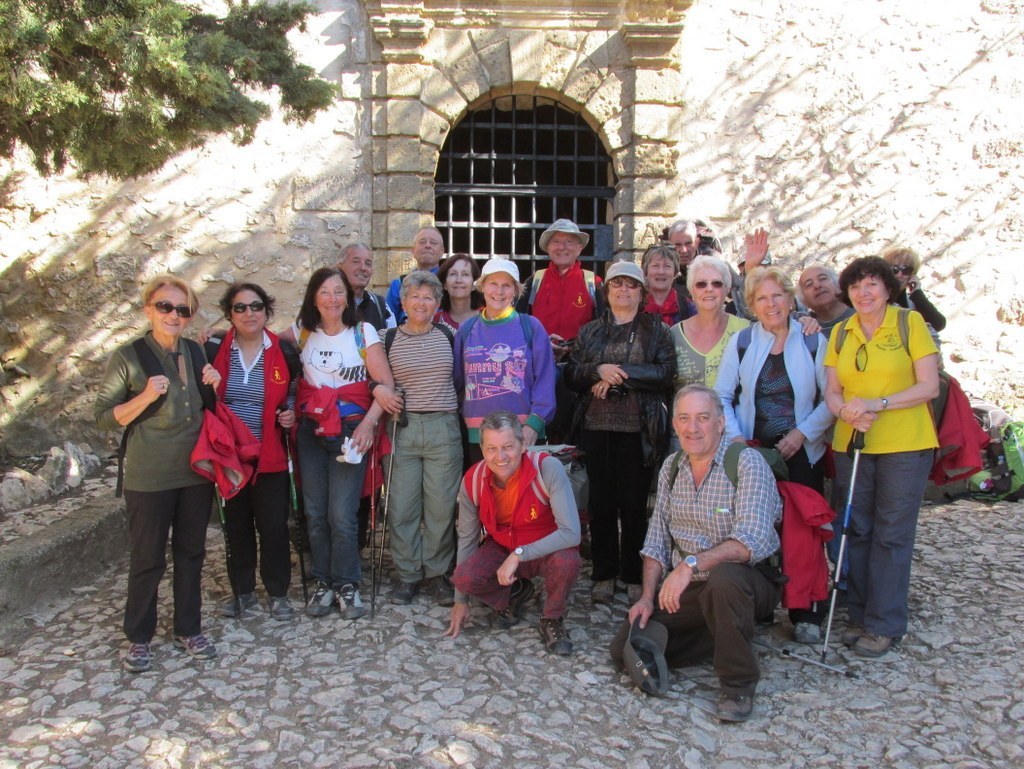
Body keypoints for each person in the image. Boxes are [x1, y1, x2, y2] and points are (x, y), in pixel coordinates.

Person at [609, 385, 782, 722]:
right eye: (685, 419)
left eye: (703, 418)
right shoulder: (672, 467)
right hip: (689, 588)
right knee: (624, 650)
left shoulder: (747, 463)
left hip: (748, 579)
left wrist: (690, 564)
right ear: (674, 424)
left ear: (720, 423)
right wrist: (646, 597)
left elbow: (752, 541)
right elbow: (657, 539)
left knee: (724, 581)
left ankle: (738, 684)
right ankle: (725, 633)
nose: (693, 428)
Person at [95, 274, 222, 673]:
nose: (173, 315)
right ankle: (138, 636)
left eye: (182, 309)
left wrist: (214, 387)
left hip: (194, 471)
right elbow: (103, 418)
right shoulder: (129, 357)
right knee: (148, 557)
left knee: (191, 552)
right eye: (165, 307)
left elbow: (206, 409)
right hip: (149, 475)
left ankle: (188, 627)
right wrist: (147, 395)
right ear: (148, 309)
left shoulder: (195, 353)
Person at [824, 256, 939, 657]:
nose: (864, 292)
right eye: (856, 286)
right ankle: (860, 615)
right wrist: (845, 411)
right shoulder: (842, 332)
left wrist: (879, 402)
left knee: (891, 534)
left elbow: (929, 387)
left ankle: (885, 622)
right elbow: (832, 391)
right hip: (853, 442)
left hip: (905, 445)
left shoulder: (909, 325)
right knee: (858, 530)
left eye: (872, 284)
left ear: (888, 288)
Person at [714, 266, 834, 644]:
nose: (771, 304)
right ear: (751, 305)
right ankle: (762, 605)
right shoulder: (744, 341)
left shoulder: (813, 341)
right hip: (755, 451)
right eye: (762, 298)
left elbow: (832, 399)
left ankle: (804, 611)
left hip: (802, 451)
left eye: (777, 296)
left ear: (790, 298)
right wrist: (735, 439)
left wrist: (802, 434)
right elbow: (722, 395)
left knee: (803, 532)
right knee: (756, 527)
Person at [286, 267, 395, 620]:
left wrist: (368, 425)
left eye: (338, 292)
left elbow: (385, 385)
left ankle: (347, 584)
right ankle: (324, 582)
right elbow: (257, 336)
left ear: (347, 296)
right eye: (324, 292)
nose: (332, 299)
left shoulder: (363, 333)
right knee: (315, 514)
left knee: (342, 515)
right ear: (313, 297)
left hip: (351, 430)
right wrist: (215, 334)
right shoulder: (303, 331)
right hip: (312, 431)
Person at [564, 260, 675, 605]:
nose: (623, 290)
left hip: (639, 429)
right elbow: (571, 374)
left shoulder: (657, 330)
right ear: (606, 290)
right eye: (617, 284)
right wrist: (597, 370)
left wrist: (617, 374)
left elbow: (664, 373)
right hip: (596, 427)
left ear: (641, 292)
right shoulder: (589, 331)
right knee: (601, 503)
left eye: (631, 285)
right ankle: (603, 572)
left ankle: (632, 573)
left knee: (633, 504)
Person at [445, 411, 582, 655]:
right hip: (501, 547)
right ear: (482, 449)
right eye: (491, 448)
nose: (500, 457)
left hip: (545, 547)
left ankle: (552, 616)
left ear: (523, 445)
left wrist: (519, 554)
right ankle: (516, 592)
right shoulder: (473, 480)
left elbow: (571, 533)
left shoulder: (547, 469)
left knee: (567, 561)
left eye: (508, 446)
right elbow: (466, 538)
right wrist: (460, 601)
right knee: (464, 577)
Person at [204, 283, 298, 622]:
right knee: (236, 525)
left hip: (269, 453)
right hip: (229, 456)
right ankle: (242, 591)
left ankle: (278, 592)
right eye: (240, 308)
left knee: (273, 525)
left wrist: (289, 414)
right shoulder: (214, 348)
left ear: (266, 311)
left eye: (256, 306)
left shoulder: (284, 350)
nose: (249, 313)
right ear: (230, 313)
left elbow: (292, 394)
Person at [376, 271, 462, 605]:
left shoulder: (451, 335)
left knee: (441, 507)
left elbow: (463, 377)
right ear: (403, 301)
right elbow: (371, 376)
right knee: (401, 507)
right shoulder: (387, 338)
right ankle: (408, 574)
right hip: (402, 427)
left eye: (428, 297)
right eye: (415, 296)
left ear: (438, 303)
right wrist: (378, 389)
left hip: (443, 427)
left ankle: (437, 573)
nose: (421, 302)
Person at [454, 258, 556, 463]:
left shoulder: (531, 327)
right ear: (482, 286)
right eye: (493, 283)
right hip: (478, 436)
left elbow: (545, 379)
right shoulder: (466, 329)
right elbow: (457, 382)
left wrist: (534, 424)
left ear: (516, 291)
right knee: (483, 493)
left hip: (522, 434)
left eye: (506, 285)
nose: (499, 291)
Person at [518, 218, 604, 360]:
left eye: (569, 242)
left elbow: (604, 326)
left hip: (580, 363)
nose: (562, 247)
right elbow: (519, 322)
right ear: (548, 247)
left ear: (579, 248)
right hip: (539, 359)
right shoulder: (534, 281)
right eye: (556, 241)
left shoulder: (593, 282)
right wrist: (541, 343)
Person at [669, 254, 750, 393]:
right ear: (691, 291)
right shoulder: (674, 334)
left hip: (732, 414)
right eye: (701, 284)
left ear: (727, 289)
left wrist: (801, 319)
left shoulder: (745, 330)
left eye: (717, 283)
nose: (709, 289)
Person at [881, 246, 946, 348]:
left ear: (912, 275)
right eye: (895, 269)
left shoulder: (912, 302)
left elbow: (939, 324)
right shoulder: (877, 299)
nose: (900, 275)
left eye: (906, 270)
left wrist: (917, 293)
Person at [386, 227, 445, 324]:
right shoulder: (399, 285)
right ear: (413, 250)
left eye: (433, 243)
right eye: (422, 242)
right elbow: (389, 323)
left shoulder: (449, 284)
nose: (428, 246)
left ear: (442, 251)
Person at [336, 242, 395, 331]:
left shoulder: (380, 305)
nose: (363, 268)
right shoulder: (330, 304)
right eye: (355, 262)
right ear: (339, 267)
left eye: (368, 263)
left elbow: (393, 340)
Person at [641, 244, 694, 325]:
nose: (661, 272)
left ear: (675, 273)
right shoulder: (635, 306)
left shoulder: (688, 308)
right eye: (655, 266)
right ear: (645, 272)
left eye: (667, 266)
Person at [797, 264, 854, 335]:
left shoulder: (862, 309)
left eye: (822, 278)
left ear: (838, 284)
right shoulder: (805, 327)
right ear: (804, 300)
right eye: (809, 284)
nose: (817, 286)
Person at [435, 253, 482, 330]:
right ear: (445, 284)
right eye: (453, 274)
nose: (459, 280)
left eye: (465, 274)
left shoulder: (488, 319)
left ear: (474, 284)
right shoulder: (434, 322)